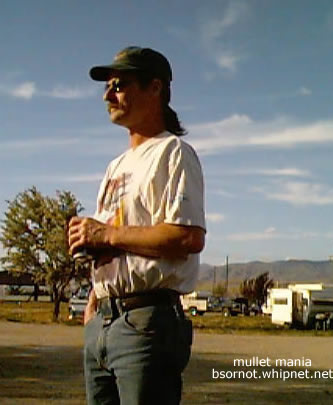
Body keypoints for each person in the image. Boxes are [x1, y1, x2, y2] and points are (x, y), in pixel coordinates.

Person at [68, 46, 206, 405]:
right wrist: (95, 293)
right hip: (103, 322)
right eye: (108, 86)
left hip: (146, 323)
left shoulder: (173, 152)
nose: (107, 95)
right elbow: (116, 237)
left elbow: (187, 236)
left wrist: (106, 233)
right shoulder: (115, 166)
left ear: (155, 88)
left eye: (119, 84)